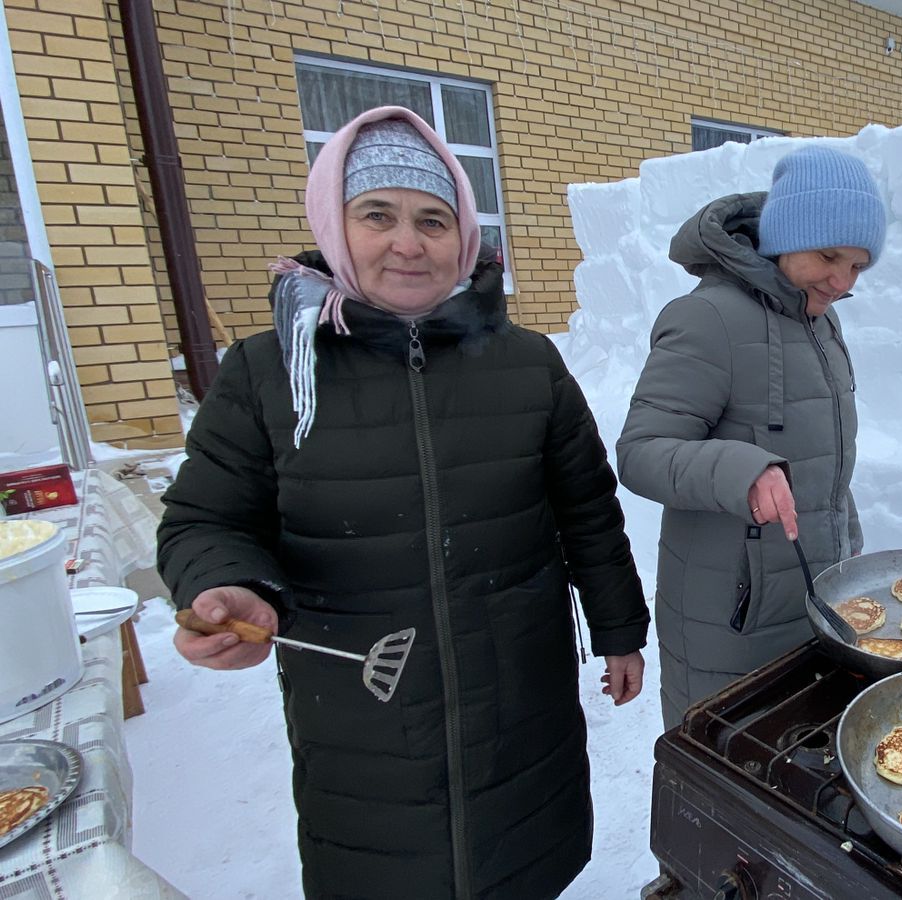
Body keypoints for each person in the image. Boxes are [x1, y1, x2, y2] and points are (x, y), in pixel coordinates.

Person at [157, 106, 650, 899]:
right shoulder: (267, 372)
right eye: (376, 215)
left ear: (464, 236)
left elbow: (586, 509)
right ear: (332, 223)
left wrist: (620, 629)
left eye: (433, 219)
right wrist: (229, 584)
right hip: (360, 707)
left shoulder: (528, 365)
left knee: (523, 867)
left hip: (518, 688)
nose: (409, 243)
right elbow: (205, 521)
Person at [617, 145, 886, 729]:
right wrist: (745, 471)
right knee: (722, 796)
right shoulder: (708, 318)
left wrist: (846, 533)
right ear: (786, 236)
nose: (842, 282)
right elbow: (640, 453)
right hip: (731, 621)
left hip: (811, 603)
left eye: (859, 266)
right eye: (829, 256)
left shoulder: (819, 318)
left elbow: (822, 450)